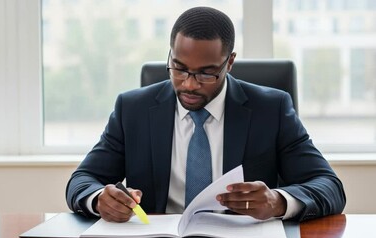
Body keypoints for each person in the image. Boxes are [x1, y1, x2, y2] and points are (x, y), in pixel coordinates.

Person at [66, 6, 346, 223]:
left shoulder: (271, 109)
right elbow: (82, 180)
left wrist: (277, 201)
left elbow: (329, 186)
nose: (189, 84)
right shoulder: (133, 109)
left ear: (229, 63)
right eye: (179, 68)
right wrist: (98, 198)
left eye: (206, 73)